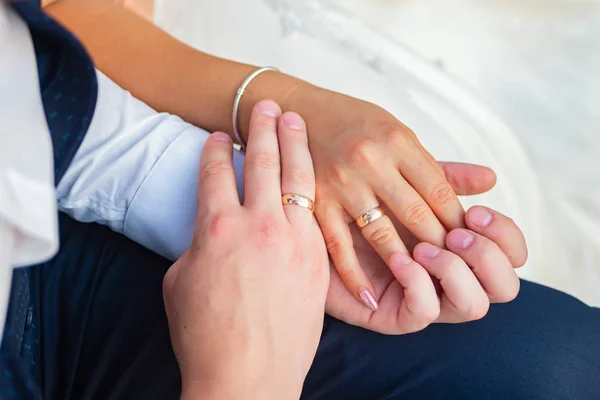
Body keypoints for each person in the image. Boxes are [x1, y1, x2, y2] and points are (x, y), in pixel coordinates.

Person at [1, 1, 599, 399]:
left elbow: (36, 87)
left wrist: (261, 198)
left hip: (49, 258)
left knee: (556, 363)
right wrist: (242, 376)